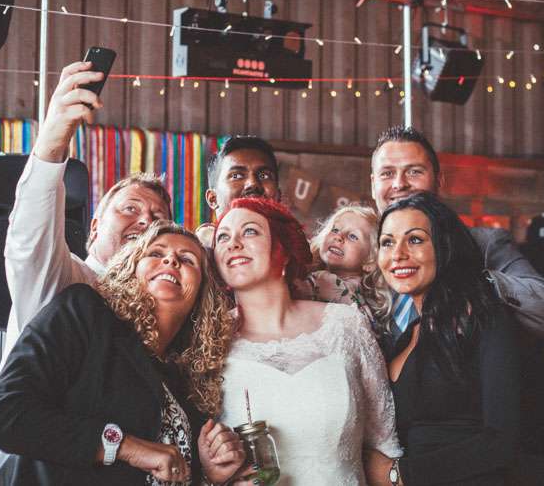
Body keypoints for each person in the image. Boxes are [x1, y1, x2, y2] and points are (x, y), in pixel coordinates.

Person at [0, 60, 173, 485]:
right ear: (94, 228)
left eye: (159, 218)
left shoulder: (164, 315)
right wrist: (53, 141)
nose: (145, 221)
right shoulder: (67, 283)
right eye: (130, 208)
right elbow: (29, 238)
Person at [0, 221, 245, 485]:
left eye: (187, 260)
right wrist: (126, 447)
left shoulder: (186, 382)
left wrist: (209, 477)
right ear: (131, 268)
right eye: (156, 253)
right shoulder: (84, 312)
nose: (171, 260)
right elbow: (6, 415)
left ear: (202, 292)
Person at [212, 197, 402, 484]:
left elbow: (384, 442)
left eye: (249, 231)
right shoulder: (211, 340)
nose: (233, 243)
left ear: (284, 250)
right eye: (223, 237)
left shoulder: (345, 323)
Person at [371, 192, 520, 485]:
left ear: (445, 246)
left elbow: (503, 441)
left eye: (415, 239)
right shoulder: (401, 335)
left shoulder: (483, 317)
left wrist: (398, 475)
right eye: (387, 242)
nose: (398, 254)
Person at [370, 126, 544, 338]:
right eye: (387, 173)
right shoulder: (359, 248)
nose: (400, 184)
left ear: (439, 181)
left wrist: (476, 280)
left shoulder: (484, 243)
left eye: (414, 172)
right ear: (373, 185)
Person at [296, 203, 391, 331]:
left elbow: (290, 288)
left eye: (353, 236)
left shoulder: (330, 282)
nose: (339, 237)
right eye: (335, 230)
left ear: (370, 261)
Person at [195, 135, 282, 246]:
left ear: (278, 196)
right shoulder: (193, 251)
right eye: (236, 176)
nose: (252, 183)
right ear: (213, 199)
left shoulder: (298, 251)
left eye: (264, 176)